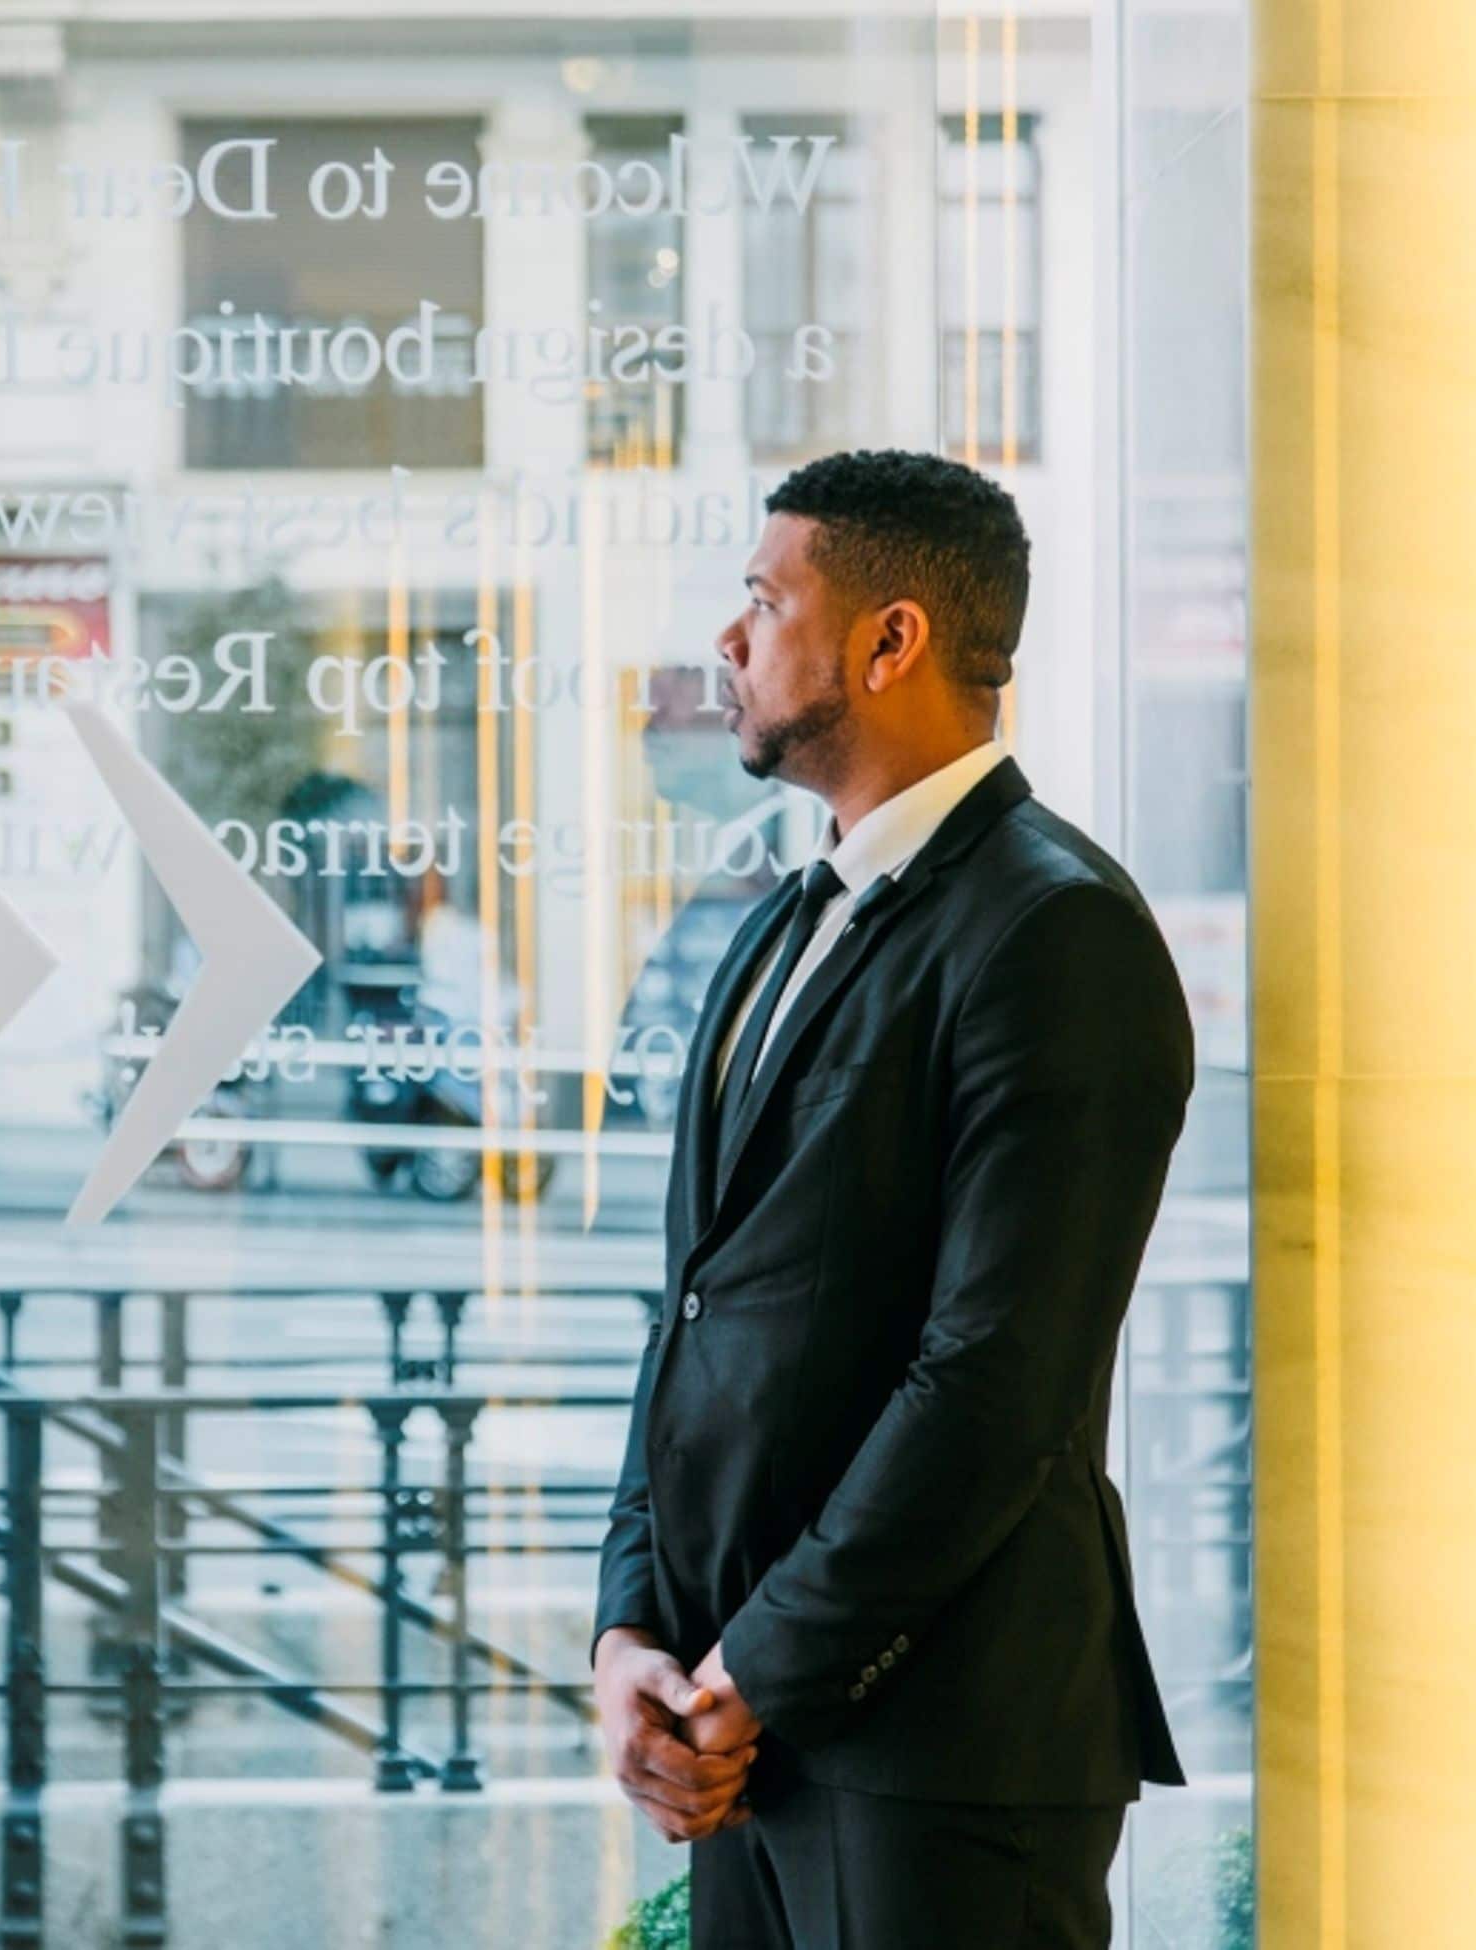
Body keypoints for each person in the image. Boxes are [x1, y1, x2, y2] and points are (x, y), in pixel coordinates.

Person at [592, 451, 1190, 1950]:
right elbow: (691, 1320)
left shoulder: (1056, 930)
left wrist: (755, 1671)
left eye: (762, 599)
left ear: (890, 638)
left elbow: (995, 1381)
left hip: (944, 1760)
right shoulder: (782, 922)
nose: (728, 644)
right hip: (751, 1741)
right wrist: (632, 1636)